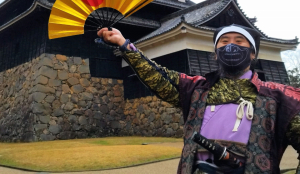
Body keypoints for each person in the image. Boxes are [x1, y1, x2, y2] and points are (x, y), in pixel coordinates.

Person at [97, 24, 300, 174]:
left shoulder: (277, 96)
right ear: (215, 53)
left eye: (239, 42)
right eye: (224, 41)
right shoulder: (196, 88)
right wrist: (124, 44)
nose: (231, 46)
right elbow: (159, 76)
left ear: (253, 54)